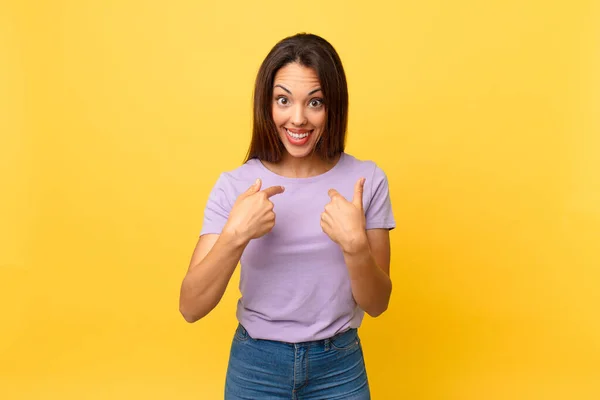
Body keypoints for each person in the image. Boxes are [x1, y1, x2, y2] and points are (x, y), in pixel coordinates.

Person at [179, 33, 396, 400]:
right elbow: (190, 307)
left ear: (334, 106)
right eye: (283, 100)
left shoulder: (365, 181)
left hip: (338, 369)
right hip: (256, 368)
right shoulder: (235, 185)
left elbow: (377, 305)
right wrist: (235, 235)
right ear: (267, 105)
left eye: (315, 102)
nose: (298, 118)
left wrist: (356, 247)